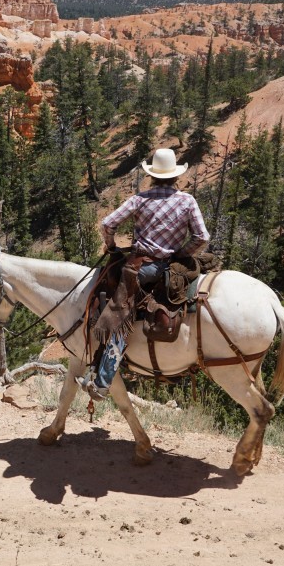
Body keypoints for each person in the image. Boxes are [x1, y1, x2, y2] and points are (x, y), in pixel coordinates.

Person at [79, 147, 211, 401]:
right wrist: (181, 253)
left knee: (119, 313)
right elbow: (202, 237)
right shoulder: (187, 201)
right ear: (175, 176)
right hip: (172, 266)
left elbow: (108, 224)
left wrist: (111, 245)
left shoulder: (141, 199)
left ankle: (103, 382)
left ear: (152, 175)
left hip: (143, 267)